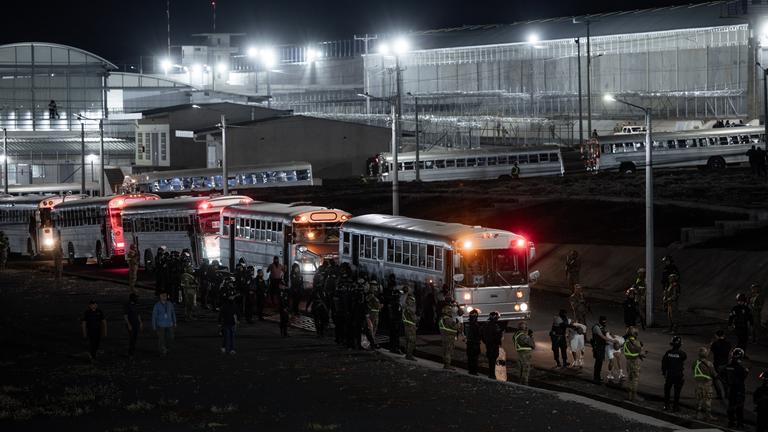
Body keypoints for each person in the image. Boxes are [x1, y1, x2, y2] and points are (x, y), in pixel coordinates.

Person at [724, 348, 749, 429]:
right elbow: (743, 377)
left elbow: (723, 375)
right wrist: (746, 372)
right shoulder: (741, 368)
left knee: (731, 405)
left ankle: (731, 422)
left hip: (731, 388)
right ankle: (739, 424)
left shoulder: (728, 366)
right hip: (739, 389)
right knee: (739, 406)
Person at [661, 336, 687, 412]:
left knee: (667, 390)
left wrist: (663, 372)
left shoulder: (668, 353)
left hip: (669, 375)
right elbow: (684, 358)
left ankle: (666, 405)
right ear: (680, 344)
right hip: (678, 375)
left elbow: (664, 364)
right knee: (677, 391)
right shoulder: (682, 354)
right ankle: (675, 407)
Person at [693, 347, 718, 420]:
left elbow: (694, 371)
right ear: (706, 355)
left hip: (698, 383)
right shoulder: (709, 364)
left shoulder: (695, 363)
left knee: (699, 400)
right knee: (708, 400)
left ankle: (697, 414)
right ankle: (708, 415)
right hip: (707, 384)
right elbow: (714, 374)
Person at [623, 326, 644, 401]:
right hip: (635, 362)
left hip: (628, 362)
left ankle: (629, 395)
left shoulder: (626, 342)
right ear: (635, 334)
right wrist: (642, 349)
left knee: (629, 378)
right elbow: (641, 354)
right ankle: (634, 396)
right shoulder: (636, 343)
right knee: (635, 379)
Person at [151, 292, 176, 356]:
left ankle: (167, 348)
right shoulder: (157, 305)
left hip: (169, 324)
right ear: (160, 296)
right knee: (161, 339)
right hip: (160, 325)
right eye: (163, 295)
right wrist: (154, 326)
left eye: (165, 295)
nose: (164, 296)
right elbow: (154, 316)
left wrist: (175, 322)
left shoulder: (170, 304)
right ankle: (162, 350)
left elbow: (173, 313)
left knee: (171, 337)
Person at [710, 329, 732, 400]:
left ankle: (719, 395)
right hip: (725, 363)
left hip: (717, 363)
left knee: (715, 380)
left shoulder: (715, 344)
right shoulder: (728, 343)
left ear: (716, 336)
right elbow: (730, 353)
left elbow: (710, 353)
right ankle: (727, 394)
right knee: (725, 380)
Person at [513, 320, 535, 385]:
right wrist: (530, 336)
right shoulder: (522, 335)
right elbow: (530, 343)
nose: (526, 327)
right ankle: (525, 382)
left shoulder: (517, 334)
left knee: (521, 368)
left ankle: (520, 381)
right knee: (525, 368)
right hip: (525, 353)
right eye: (525, 326)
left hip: (520, 353)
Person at [438, 305, 458, 369]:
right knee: (449, 352)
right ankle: (447, 365)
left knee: (445, 351)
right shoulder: (448, 319)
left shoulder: (441, 318)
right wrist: (458, 324)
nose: (451, 311)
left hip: (444, 337)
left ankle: (446, 364)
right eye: (449, 310)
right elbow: (455, 327)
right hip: (449, 337)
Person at [123, 293, 142, 359]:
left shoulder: (136, 304)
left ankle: (132, 352)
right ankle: (130, 353)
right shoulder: (127, 305)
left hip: (136, 324)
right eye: (136, 298)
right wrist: (128, 324)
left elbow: (138, 314)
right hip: (131, 324)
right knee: (132, 338)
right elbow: (125, 316)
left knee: (135, 338)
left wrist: (140, 322)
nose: (137, 299)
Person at [591, 316, 609, 384]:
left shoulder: (602, 327)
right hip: (597, 347)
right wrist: (612, 340)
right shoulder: (596, 327)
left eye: (605, 321)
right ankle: (596, 378)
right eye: (603, 321)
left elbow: (606, 333)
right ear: (600, 321)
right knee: (598, 362)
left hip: (601, 347)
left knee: (600, 362)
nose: (605, 322)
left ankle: (598, 376)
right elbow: (602, 336)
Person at [402, 285, 418, 361]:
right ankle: (409, 355)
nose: (413, 303)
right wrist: (417, 319)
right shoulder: (409, 309)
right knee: (411, 341)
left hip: (408, 325)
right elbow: (414, 317)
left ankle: (408, 354)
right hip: (410, 326)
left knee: (408, 340)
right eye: (412, 301)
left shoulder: (406, 308)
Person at [465, 309, 481, 375]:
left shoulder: (467, 324)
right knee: (474, 358)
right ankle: (474, 372)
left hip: (469, 343)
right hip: (475, 344)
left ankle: (470, 371)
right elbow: (478, 334)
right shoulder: (475, 325)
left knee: (470, 358)